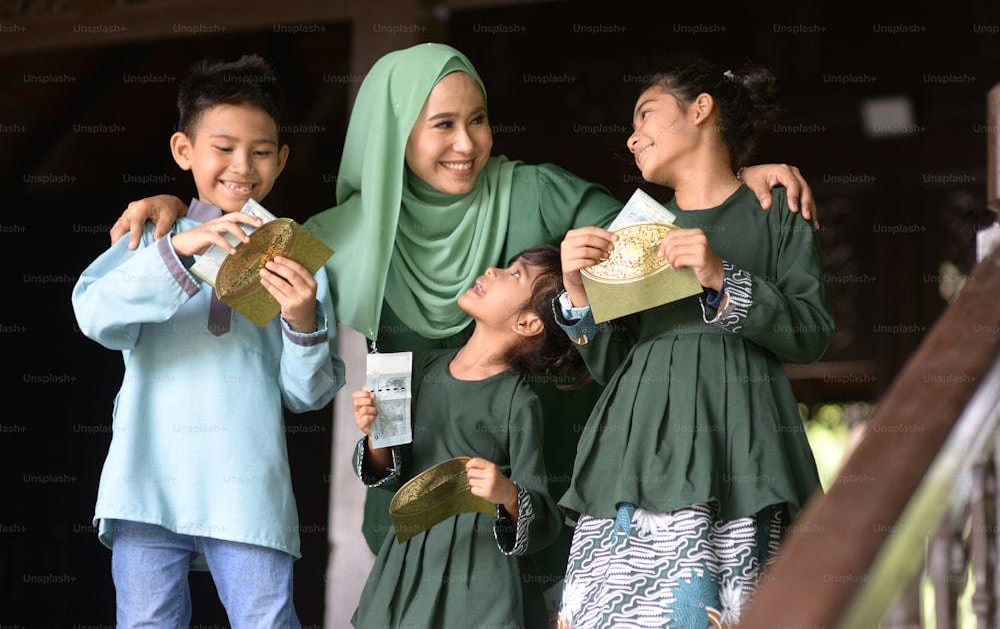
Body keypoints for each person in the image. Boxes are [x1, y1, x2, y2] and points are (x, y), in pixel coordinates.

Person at [107, 42, 819, 609]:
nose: (466, 143)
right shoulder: (331, 237)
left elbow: (659, 238)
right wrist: (171, 207)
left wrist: (737, 174)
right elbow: (232, 249)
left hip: (540, 473)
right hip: (416, 476)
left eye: (477, 119)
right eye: (441, 124)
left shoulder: (534, 190)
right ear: (394, 130)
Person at [553, 60, 834, 627]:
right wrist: (577, 290)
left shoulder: (774, 206)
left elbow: (810, 333)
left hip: (737, 434)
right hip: (632, 444)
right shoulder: (635, 228)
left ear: (700, 108)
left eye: (646, 113)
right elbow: (612, 360)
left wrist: (722, 276)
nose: (632, 136)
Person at [72, 55, 346, 628]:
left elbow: (308, 395)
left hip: (246, 482)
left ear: (282, 159)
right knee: (146, 621)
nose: (242, 166)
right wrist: (181, 249)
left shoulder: (298, 261)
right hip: (146, 478)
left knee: (267, 620)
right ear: (183, 151)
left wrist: (302, 317)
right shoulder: (153, 232)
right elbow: (95, 315)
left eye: (262, 151)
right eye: (222, 147)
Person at [350, 244, 581, 628]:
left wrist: (505, 492)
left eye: (515, 274)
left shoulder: (518, 400)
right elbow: (392, 476)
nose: (493, 270)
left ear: (528, 323)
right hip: (410, 556)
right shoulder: (420, 369)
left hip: (480, 569)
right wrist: (375, 432)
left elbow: (541, 510)